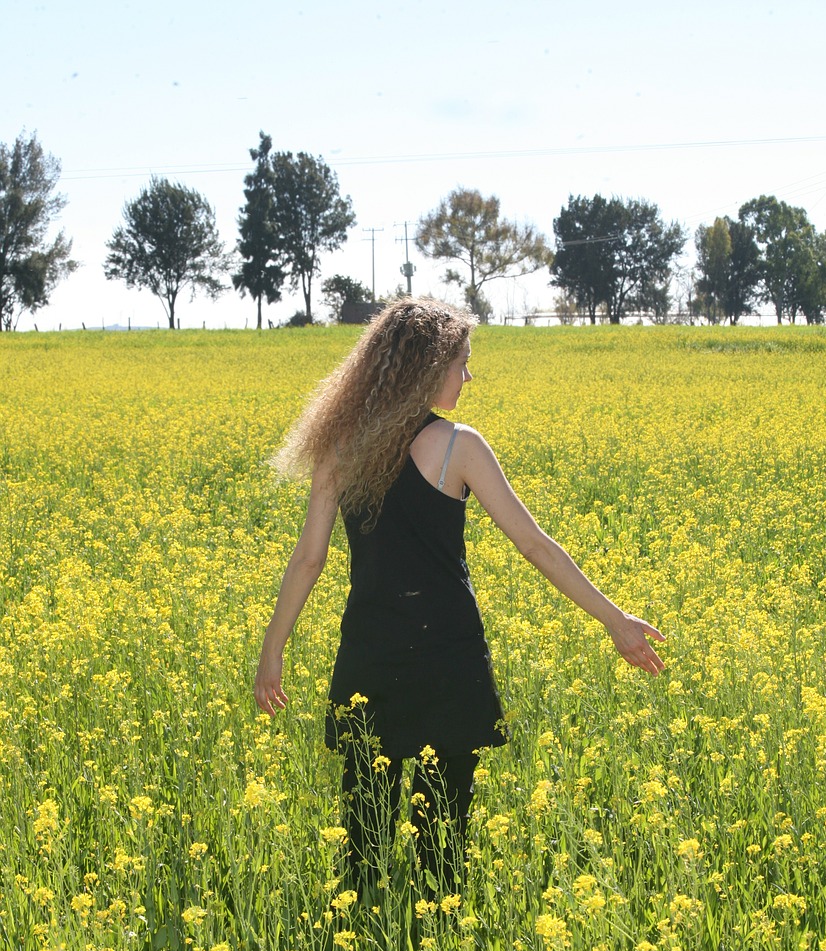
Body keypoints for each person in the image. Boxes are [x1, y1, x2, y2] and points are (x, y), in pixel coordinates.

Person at [254, 298, 664, 892]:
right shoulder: (458, 446)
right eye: (462, 364)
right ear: (426, 366)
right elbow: (536, 546)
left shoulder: (340, 447)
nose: (468, 377)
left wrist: (274, 648)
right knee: (441, 853)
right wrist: (614, 619)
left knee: (363, 845)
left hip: (372, 653)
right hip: (448, 659)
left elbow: (308, 559)